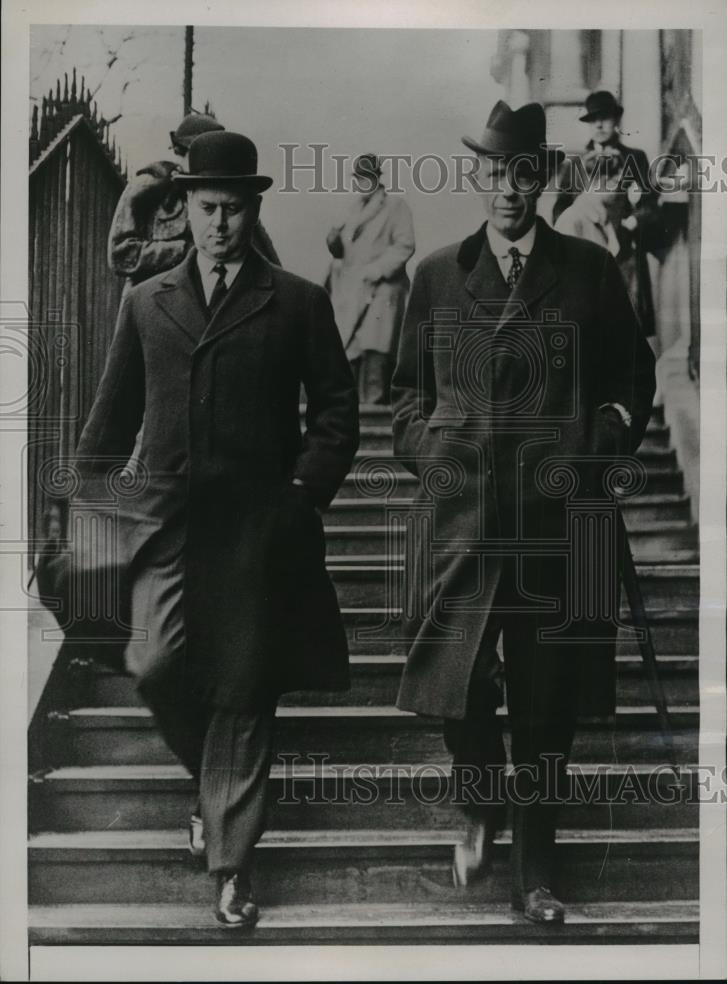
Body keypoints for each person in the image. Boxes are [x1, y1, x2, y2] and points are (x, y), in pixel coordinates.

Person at [74, 131, 359, 928]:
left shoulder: (297, 300)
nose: (219, 226)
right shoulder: (146, 300)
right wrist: (82, 509)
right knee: (155, 662)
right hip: (166, 528)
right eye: (206, 209)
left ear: (253, 210)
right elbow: (110, 417)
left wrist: (300, 495)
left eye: (233, 211)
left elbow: (336, 415)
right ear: (185, 208)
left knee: (241, 692)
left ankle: (232, 868)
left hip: (256, 535)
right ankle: (214, 791)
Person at [391, 100, 655, 924]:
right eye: (493, 173)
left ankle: (535, 874)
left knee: (546, 709)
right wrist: (431, 452)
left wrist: (601, 441)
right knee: (455, 691)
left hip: (560, 524)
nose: (507, 189)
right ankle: (480, 799)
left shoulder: (586, 271)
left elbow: (630, 381)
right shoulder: (436, 273)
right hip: (462, 525)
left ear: (542, 180)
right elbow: (406, 396)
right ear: (475, 178)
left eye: (522, 174)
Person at [108, 112, 280, 293]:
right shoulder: (150, 186)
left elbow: (259, 260)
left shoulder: (229, 196)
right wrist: (186, 250)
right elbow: (120, 256)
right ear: (180, 151)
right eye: (205, 153)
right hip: (152, 302)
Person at [553, 90, 665, 337]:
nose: (600, 124)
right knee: (588, 322)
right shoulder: (575, 164)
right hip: (585, 253)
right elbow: (559, 210)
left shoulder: (634, 158)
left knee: (626, 325)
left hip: (624, 252)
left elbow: (650, 203)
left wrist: (634, 221)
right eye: (593, 119)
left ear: (616, 121)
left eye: (605, 118)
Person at [326, 153, 415, 404]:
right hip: (353, 290)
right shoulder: (353, 211)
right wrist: (334, 243)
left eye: (368, 178)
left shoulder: (395, 206)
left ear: (377, 178)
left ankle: (375, 416)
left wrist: (377, 270)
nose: (363, 183)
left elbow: (405, 245)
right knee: (351, 350)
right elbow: (345, 253)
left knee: (377, 348)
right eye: (359, 179)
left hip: (382, 290)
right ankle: (355, 415)